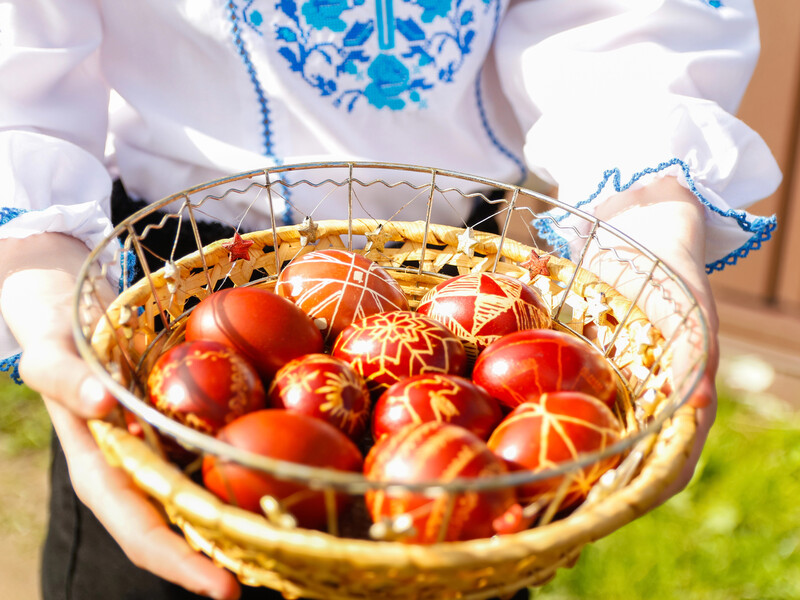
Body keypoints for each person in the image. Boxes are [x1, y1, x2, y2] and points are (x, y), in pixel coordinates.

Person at [0, 1, 781, 599]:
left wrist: (650, 230)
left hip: (450, 285)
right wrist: (44, 291)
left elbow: (623, 26)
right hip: (175, 295)